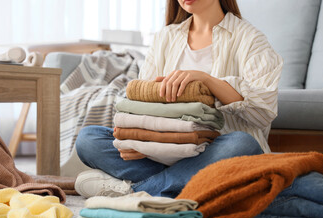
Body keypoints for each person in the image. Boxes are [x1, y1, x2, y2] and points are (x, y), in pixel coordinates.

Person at [74, 0, 283, 198]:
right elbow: (143, 106)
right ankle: (180, 184)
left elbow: (262, 112)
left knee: (242, 144)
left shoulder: (250, 39)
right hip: (161, 152)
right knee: (88, 139)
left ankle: (136, 190)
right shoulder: (165, 37)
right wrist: (135, 140)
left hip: (214, 152)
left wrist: (206, 80)